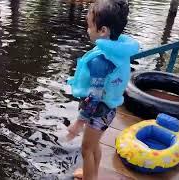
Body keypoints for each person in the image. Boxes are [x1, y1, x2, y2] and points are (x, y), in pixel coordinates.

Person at [66, 0, 139, 179]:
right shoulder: (118, 52)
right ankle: (91, 174)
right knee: (94, 145)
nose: (87, 30)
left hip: (97, 111)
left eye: (90, 26)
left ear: (103, 31)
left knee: (85, 150)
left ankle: (89, 177)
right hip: (108, 110)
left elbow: (94, 96)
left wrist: (79, 122)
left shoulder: (101, 61)